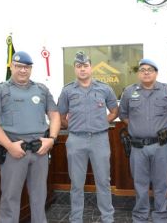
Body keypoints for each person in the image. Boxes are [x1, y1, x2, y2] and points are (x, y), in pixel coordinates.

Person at [0, 51, 61, 223]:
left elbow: (54, 115)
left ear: (31, 69)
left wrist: (52, 139)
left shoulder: (41, 89)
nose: (23, 70)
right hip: (13, 152)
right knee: (10, 198)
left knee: (40, 197)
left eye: (26, 67)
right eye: (19, 66)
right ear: (12, 67)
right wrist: (9, 146)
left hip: (40, 151)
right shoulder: (0, 91)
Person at [57, 51, 118, 223]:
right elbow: (60, 116)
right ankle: (76, 219)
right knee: (76, 183)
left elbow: (114, 111)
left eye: (85, 66)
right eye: (78, 66)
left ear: (91, 67)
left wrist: (101, 122)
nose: (82, 69)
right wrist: (75, 127)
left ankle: (107, 218)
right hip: (76, 140)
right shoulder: (68, 90)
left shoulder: (104, 88)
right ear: (75, 69)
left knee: (103, 182)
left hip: (100, 139)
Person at [119, 58, 167, 223]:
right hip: (137, 146)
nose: (146, 72)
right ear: (139, 73)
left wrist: (165, 126)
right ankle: (140, 215)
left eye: (150, 69)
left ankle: (160, 215)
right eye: (142, 70)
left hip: (161, 145)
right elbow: (123, 115)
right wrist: (137, 127)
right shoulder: (129, 92)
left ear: (156, 73)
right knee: (140, 183)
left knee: (161, 183)